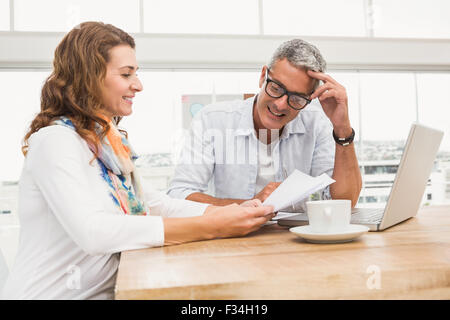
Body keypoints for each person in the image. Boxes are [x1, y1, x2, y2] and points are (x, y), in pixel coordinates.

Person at [0, 22, 274, 300]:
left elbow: (153, 204)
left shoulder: (106, 144)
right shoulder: (55, 141)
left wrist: (231, 212)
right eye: (126, 74)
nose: (138, 85)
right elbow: (94, 232)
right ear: (89, 77)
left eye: (136, 73)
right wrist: (210, 226)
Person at [167, 39, 362, 210]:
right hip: (231, 241)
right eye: (276, 88)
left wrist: (342, 127)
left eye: (296, 98)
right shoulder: (213, 120)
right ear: (263, 76)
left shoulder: (317, 123)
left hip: (298, 243)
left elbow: (344, 202)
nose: (280, 104)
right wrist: (250, 204)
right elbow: (180, 195)